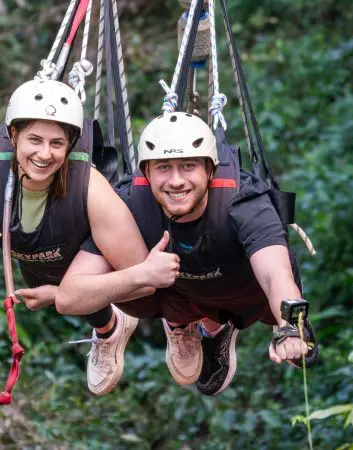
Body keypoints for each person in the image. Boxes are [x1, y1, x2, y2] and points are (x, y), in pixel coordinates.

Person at [0, 78, 175, 395]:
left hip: (93, 249)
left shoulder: (90, 189)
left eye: (57, 144)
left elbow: (139, 280)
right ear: (13, 136)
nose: (44, 154)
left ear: (70, 145)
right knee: (51, 286)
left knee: (86, 291)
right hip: (40, 260)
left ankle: (146, 322)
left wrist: (72, 292)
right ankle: (108, 328)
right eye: (34, 140)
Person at [56, 112, 312, 396]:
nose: (176, 181)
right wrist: (139, 275)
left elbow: (275, 273)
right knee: (132, 288)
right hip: (180, 295)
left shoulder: (245, 201)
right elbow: (68, 297)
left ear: (210, 171)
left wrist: (289, 325)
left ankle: (218, 328)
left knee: (280, 293)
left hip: (241, 290)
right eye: (164, 167)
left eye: (188, 166)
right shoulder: (129, 204)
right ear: (147, 172)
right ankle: (185, 325)